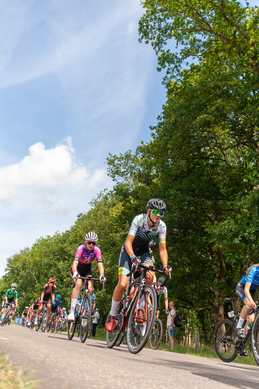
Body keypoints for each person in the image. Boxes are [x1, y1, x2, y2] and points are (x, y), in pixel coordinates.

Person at [105, 198, 172, 332]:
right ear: (149, 211)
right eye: (155, 211)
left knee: (150, 276)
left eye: (161, 213)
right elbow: (128, 242)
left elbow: (163, 249)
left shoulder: (162, 226)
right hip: (129, 250)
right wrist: (132, 257)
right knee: (123, 284)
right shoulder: (139, 220)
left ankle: (140, 308)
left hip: (144, 252)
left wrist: (165, 266)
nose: (158, 215)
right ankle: (112, 315)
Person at [68, 232, 106, 322]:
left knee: (90, 290)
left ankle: (85, 311)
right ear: (86, 242)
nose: (91, 245)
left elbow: (100, 265)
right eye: (90, 242)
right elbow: (75, 263)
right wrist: (75, 273)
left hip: (87, 269)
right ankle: (72, 311)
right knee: (78, 284)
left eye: (94, 243)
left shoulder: (97, 250)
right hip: (78, 268)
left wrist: (102, 275)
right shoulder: (81, 248)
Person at [236, 264, 259, 338]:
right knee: (249, 304)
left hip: (252, 291)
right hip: (242, 288)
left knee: (251, 320)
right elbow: (246, 289)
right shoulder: (254, 270)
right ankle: (238, 327)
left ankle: (240, 343)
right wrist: (251, 302)